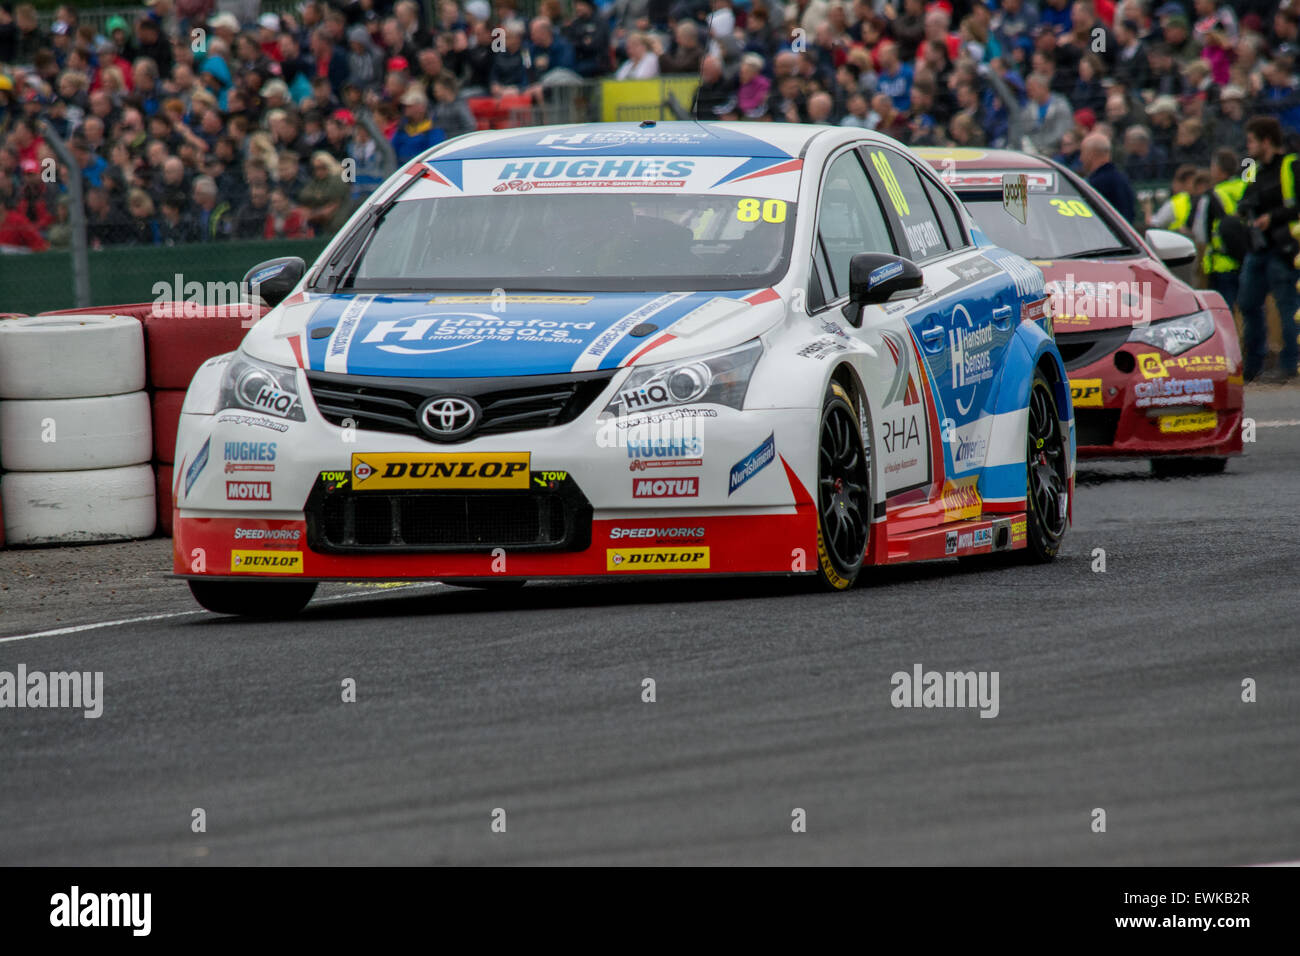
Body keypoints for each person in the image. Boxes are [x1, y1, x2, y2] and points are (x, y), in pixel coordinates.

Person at [1235, 116, 1300, 383]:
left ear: (1266, 141)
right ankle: (1254, 366)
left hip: (1283, 248)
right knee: (1248, 303)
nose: (1247, 146)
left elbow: (1296, 206)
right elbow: (1244, 199)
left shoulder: (1291, 165)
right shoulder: (1252, 168)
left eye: (1251, 140)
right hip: (1258, 249)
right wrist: (1245, 212)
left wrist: (1271, 218)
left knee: (1287, 307)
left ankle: (1289, 365)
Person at [1194, 147, 1248, 311]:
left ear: (1218, 169)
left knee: (1224, 312)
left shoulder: (1212, 195)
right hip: (1249, 258)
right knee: (1251, 312)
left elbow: (1200, 234)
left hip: (1222, 263)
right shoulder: (1245, 187)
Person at [1081, 132, 1136, 224]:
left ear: (1092, 154)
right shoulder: (1122, 179)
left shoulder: (1096, 184)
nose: (1081, 158)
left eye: (1082, 153)